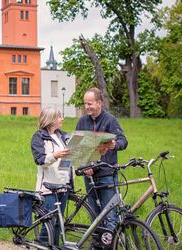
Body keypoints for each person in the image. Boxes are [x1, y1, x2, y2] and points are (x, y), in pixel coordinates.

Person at [76, 87, 128, 233]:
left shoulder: (111, 120)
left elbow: (124, 141)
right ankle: (98, 242)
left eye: (90, 103)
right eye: (85, 103)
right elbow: (76, 148)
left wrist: (114, 145)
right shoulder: (82, 122)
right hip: (89, 175)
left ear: (99, 103)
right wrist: (84, 166)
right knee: (95, 215)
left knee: (111, 215)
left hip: (107, 175)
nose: (87, 107)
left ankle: (110, 244)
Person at [31, 106, 71, 245]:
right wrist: (55, 155)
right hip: (47, 188)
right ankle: (42, 246)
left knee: (58, 225)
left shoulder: (63, 136)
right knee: (47, 226)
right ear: (51, 119)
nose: (62, 119)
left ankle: (54, 247)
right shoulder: (39, 137)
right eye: (59, 116)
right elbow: (40, 160)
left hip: (63, 186)